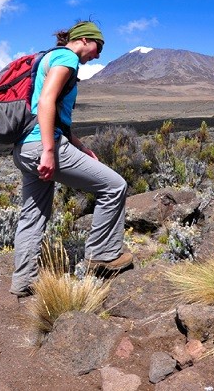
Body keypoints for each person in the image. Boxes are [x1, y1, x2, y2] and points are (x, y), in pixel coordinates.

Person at [10, 21, 133, 297]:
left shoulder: (47, 57)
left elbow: (58, 119)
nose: (98, 56)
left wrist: (80, 146)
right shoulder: (67, 57)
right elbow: (46, 101)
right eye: (98, 48)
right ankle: (103, 254)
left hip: (24, 148)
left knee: (33, 215)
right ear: (86, 40)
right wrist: (50, 151)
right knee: (114, 186)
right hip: (43, 146)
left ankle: (23, 283)